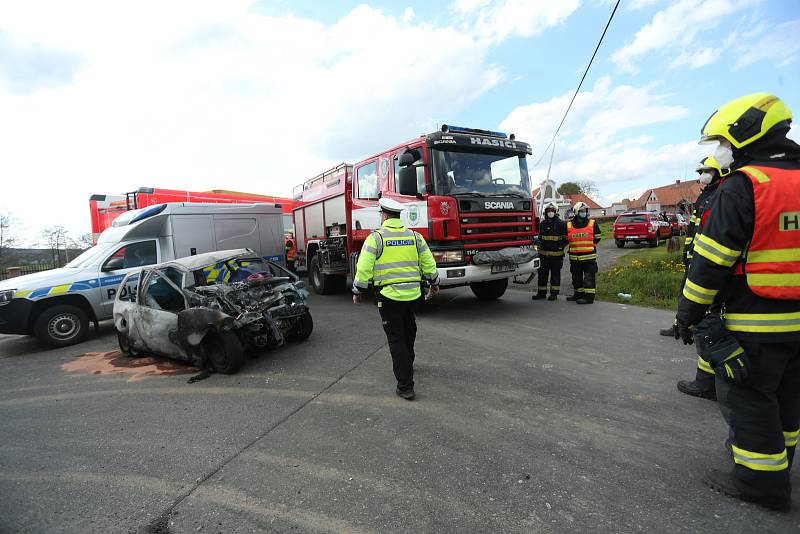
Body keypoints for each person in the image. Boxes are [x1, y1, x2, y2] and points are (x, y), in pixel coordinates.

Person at [675, 93, 800, 512]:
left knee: (751, 401)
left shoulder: (744, 186)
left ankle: (759, 483)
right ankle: (780, 466)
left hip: (756, 324)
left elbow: (710, 264)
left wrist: (688, 315)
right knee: (788, 400)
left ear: (744, 133)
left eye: (723, 143)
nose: (722, 153)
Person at [352, 197, 439, 400]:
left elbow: (363, 268)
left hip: (389, 297)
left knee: (396, 338)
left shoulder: (376, 239)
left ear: (383, 215)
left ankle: (405, 385)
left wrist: (358, 290)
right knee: (409, 331)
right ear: (399, 216)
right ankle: (408, 365)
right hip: (413, 295)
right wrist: (434, 282)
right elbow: (429, 263)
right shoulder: (415, 237)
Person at [661, 156, 729, 401]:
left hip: (709, 265)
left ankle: (706, 383)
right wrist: (689, 255)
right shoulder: (707, 195)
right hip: (697, 260)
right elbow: (695, 230)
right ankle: (682, 325)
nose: (703, 175)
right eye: (701, 171)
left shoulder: (723, 194)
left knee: (707, 320)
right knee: (698, 310)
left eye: (707, 171)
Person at [566, 201, 601, 304]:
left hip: (589, 258)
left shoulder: (592, 223)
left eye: (585, 211)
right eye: (581, 211)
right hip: (575, 258)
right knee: (576, 278)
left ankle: (589, 298)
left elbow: (597, 238)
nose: (584, 212)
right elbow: (565, 239)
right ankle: (578, 295)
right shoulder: (569, 225)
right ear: (576, 212)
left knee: (589, 279)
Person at [532, 202, 567, 301]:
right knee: (542, 275)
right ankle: (541, 293)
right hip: (543, 255)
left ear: (556, 212)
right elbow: (539, 238)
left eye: (552, 211)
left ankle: (554, 294)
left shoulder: (561, 224)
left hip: (556, 256)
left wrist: (560, 247)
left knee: (555, 275)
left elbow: (566, 239)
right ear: (545, 212)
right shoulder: (542, 224)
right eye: (549, 211)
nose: (550, 212)